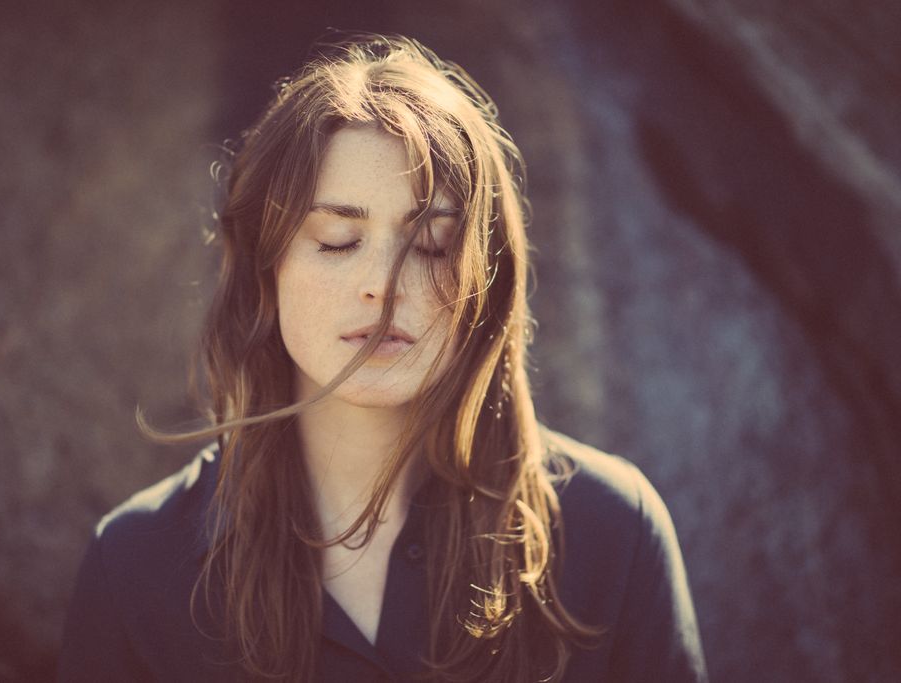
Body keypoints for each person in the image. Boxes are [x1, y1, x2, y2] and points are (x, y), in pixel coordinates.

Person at [58, 34, 708, 682]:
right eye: (338, 240)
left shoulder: (612, 530)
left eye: (431, 244)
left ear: (486, 278)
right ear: (265, 270)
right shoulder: (135, 563)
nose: (383, 284)